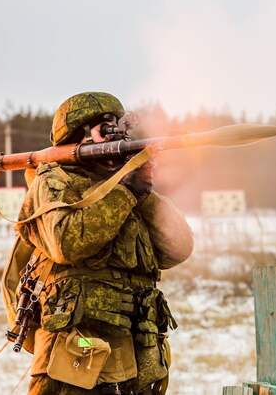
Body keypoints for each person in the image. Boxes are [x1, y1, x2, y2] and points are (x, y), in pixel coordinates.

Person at [15, 92, 194, 395]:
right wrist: (124, 192)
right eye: (104, 128)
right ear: (78, 135)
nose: (114, 134)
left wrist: (142, 192)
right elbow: (66, 243)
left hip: (135, 354)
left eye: (116, 126)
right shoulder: (54, 182)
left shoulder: (127, 188)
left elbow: (179, 248)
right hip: (78, 355)